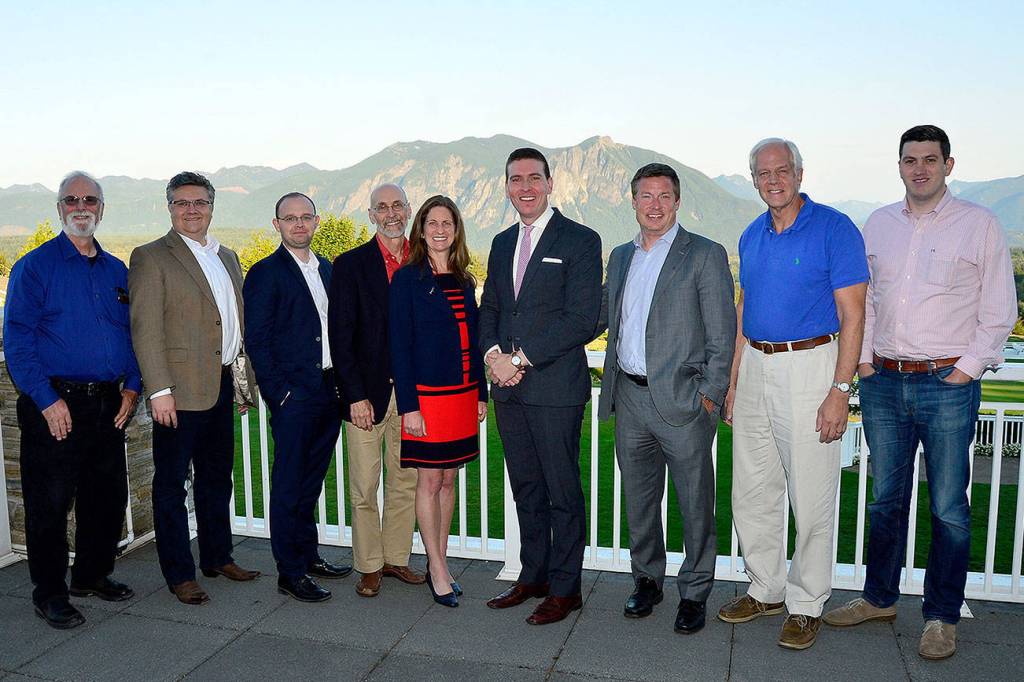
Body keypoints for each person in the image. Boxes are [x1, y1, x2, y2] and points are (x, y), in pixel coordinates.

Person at [822, 125, 1016, 660]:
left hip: (947, 383)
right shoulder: (878, 224)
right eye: (911, 160)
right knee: (885, 499)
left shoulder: (979, 224)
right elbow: (864, 300)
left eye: (930, 160)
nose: (920, 169)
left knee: (949, 506)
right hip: (883, 381)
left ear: (948, 165)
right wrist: (864, 362)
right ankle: (879, 598)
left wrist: (966, 370)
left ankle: (941, 616)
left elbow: (999, 308)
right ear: (900, 166)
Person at [718, 138, 868, 650]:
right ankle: (766, 589)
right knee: (752, 488)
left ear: (800, 174)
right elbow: (745, 310)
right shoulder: (751, 235)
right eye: (763, 173)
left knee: (812, 493)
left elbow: (853, 315)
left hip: (811, 365)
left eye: (782, 170)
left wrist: (840, 391)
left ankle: (806, 604)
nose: (773, 180)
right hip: (755, 365)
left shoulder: (835, 228)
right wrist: (734, 382)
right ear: (754, 181)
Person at [596, 163, 736, 634]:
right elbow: (601, 314)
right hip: (630, 398)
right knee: (639, 500)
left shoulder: (704, 254)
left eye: (663, 196)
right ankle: (647, 580)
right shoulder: (620, 256)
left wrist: (710, 396)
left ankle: (694, 592)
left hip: (685, 403)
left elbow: (721, 334)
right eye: (646, 196)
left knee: (695, 503)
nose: (654, 205)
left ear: (677, 202)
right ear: (633, 201)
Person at [4, 171, 140, 629]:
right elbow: (17, 341)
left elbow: (132, 334)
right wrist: (46, 400)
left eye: (90, 200)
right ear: (59, 208)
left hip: (108, 403)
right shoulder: (35, 267)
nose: (81, 207)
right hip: (55, 404)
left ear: (102, 208)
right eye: (71, 200)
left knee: (106, 497)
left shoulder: (116, 270)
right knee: (50, 503)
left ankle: (90, 576)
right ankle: (49, 594)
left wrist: (132, 386)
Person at [480, 147, 603, 625]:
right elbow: (491, 308)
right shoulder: (500, 242)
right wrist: (493, 357)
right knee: (526, 488)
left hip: (554, 390)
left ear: (550, 184)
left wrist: (518, 359)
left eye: (534, 178)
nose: (525, 187)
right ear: (507, 187)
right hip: (508, 391)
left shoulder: (580, 240)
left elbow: (581, 319)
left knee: (561, 491)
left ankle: (566, 589)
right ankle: (533, 576)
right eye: (516, 179)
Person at [129, 171, 260, 605]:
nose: (191, 210)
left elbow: (233, 322)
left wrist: (242, 383)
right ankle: (179, 574)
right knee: (171, 486)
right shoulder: (151, 257)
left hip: (220, 384)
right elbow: (145, 328)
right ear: (169, 208)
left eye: (199, 202)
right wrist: (159, 390)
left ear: (211, 207)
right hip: (177, 392)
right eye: (182, 203)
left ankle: (217, 557)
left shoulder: (228, 256)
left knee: (216, 478)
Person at [243, 192, 353, 603]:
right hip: (294, 396)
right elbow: (258, 340)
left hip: (328, 390)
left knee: (311, 481)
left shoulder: (327, 268)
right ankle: (289, 572)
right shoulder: (265, 273)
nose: (299, 224)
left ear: (317, 221)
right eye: (290, 218)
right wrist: (280, 394)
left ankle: (308, 556)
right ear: (277, 225)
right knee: (289, 484)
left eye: (306, 217)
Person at [389, 195, 488, 607]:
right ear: (421, 229)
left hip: (462, 395)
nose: (440, 230)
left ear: (456, 229)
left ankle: (439, 562)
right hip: (427, 398)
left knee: (449, 480)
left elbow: (475, 339)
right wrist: (409, 405)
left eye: (447, 223)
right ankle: (436, 567)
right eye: (432, 223)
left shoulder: (464, 279)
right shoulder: (407, 279)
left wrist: (480, 392)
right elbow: (399, 346)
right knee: (429, 481)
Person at [329, 184, 425, 596]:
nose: (391, 214)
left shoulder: (425, 260)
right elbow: (340, 336)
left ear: (409, 210)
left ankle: (395, 559)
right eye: (382, 207)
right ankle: (368, 565)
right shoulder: (350, 265)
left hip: (412, 397)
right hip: (365, 396)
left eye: (397, 205)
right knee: (364, 487)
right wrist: (354, 395)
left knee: (406, 481)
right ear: (371, 215)